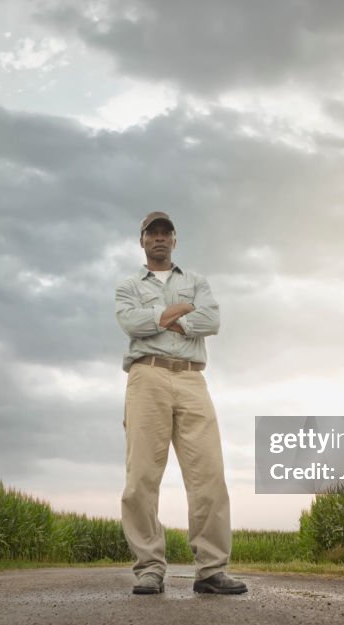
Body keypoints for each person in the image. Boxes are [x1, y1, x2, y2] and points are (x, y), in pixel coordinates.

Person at [114, 210, 247, 595]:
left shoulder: (196, 281)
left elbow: (212, 321)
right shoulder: (127, 285)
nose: (158, 237)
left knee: (208, 474)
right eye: (151, 232)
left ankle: (210, 571)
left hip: (191, 377)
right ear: (141, 241)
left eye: (165, 232)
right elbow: (131, 324)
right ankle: (149, 569)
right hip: (146, 376)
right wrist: (182, 311)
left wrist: (159, 318)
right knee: (141, 476)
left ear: (174, 240)